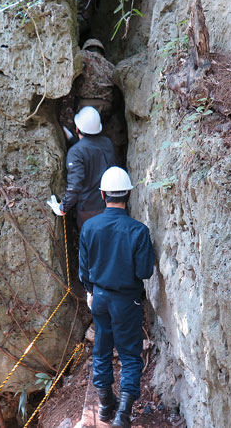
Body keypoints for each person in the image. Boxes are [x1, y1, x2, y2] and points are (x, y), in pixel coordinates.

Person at [78, 167, 155, 428]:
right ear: (130, 194)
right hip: (127, 301)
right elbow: (144, 272)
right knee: (130, 355)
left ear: (102, 194)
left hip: (99, 297)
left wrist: (91, 290)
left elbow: (84, 269)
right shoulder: (139, 231)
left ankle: (105, 405)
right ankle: (123, 413)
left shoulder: (90, 227)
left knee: (101, 350)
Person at [58, 39, 128, 165]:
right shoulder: (110, 65)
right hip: (105, 111)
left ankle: (75, 144)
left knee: (65, 120)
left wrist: (66, 117)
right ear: (101, 51)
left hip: (84, 105)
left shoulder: (84, 57)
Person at [47, 106, 116, 230]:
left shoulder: (76, 152)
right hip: (109, 206)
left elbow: (75, 184)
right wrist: (74, 141)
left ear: (77, 128)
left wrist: (63, 208)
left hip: (88, 210)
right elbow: (92, 150)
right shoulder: (107, 143)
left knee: (90, 246)